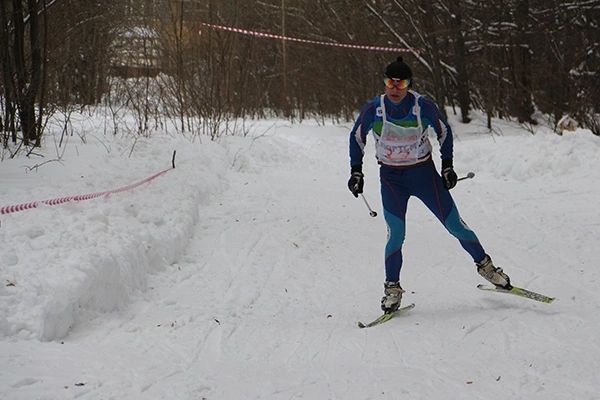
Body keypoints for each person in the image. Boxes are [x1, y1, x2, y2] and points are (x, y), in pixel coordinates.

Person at [347, 56, 511, 313]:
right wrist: (356, 171)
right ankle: (392, 289)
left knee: (455, 224)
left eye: (401, 84)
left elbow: (443, 131)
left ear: (409, 84)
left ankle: (487, 267)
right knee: (396, 235)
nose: (394, 89)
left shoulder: (422, 106)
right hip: (391, 180)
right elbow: (356, 137)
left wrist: (447, 166)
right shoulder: (374, 109)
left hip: (423, 175)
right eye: (390, 82)